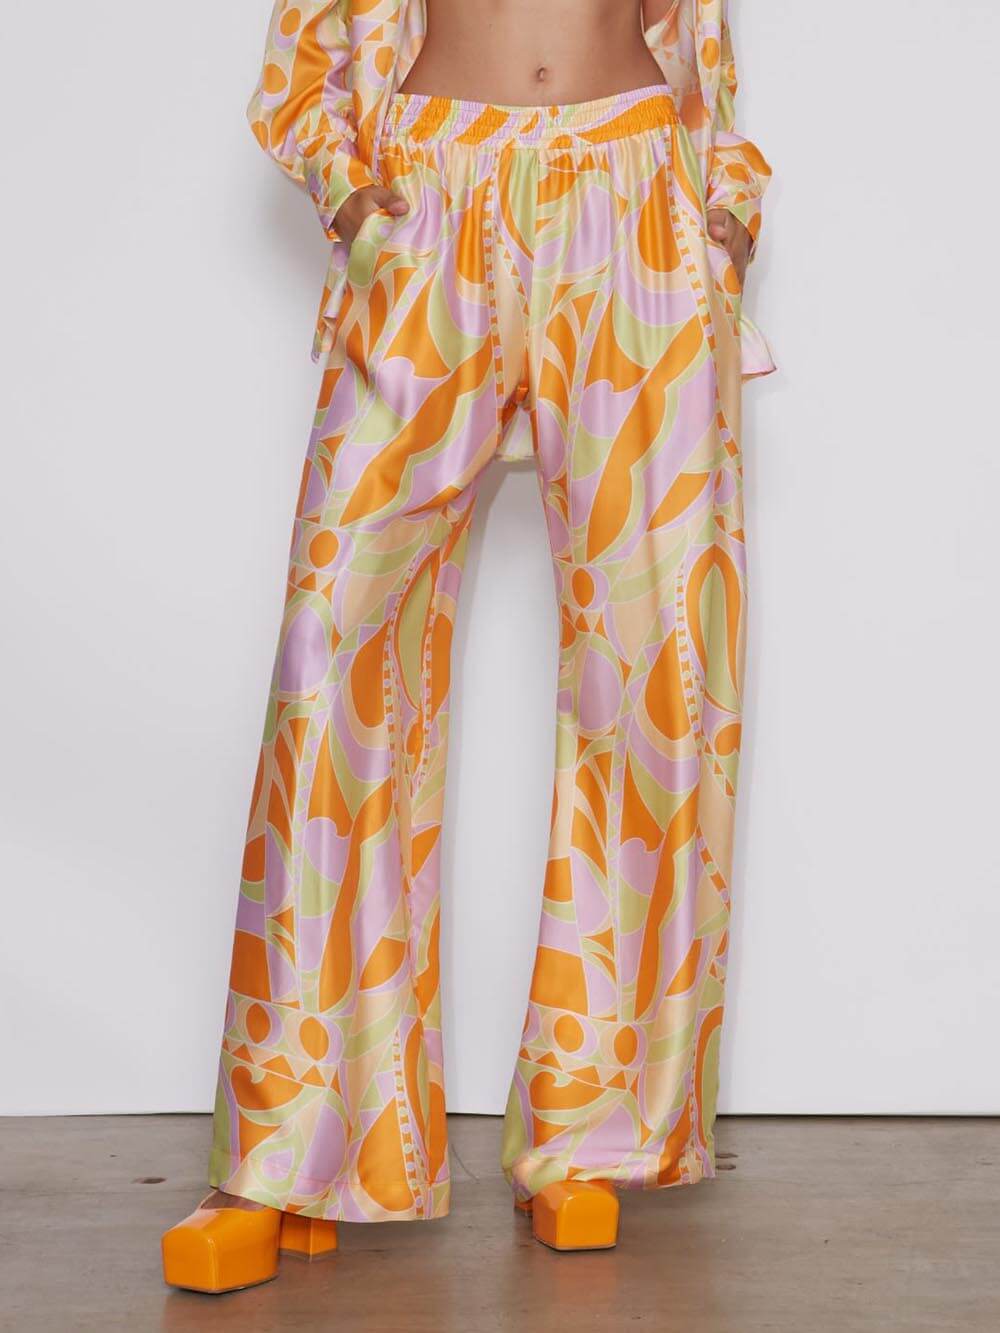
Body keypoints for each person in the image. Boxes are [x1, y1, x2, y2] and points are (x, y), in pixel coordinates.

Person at [162, 0, 775, 1293]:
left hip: (637, 196)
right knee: (333, 651)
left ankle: (592, 1128)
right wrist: (350, 192)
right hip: (430, 200)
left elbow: (698, 35)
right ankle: (293, 1140)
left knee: (659, 667)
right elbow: (308, 40)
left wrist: (720, 206)